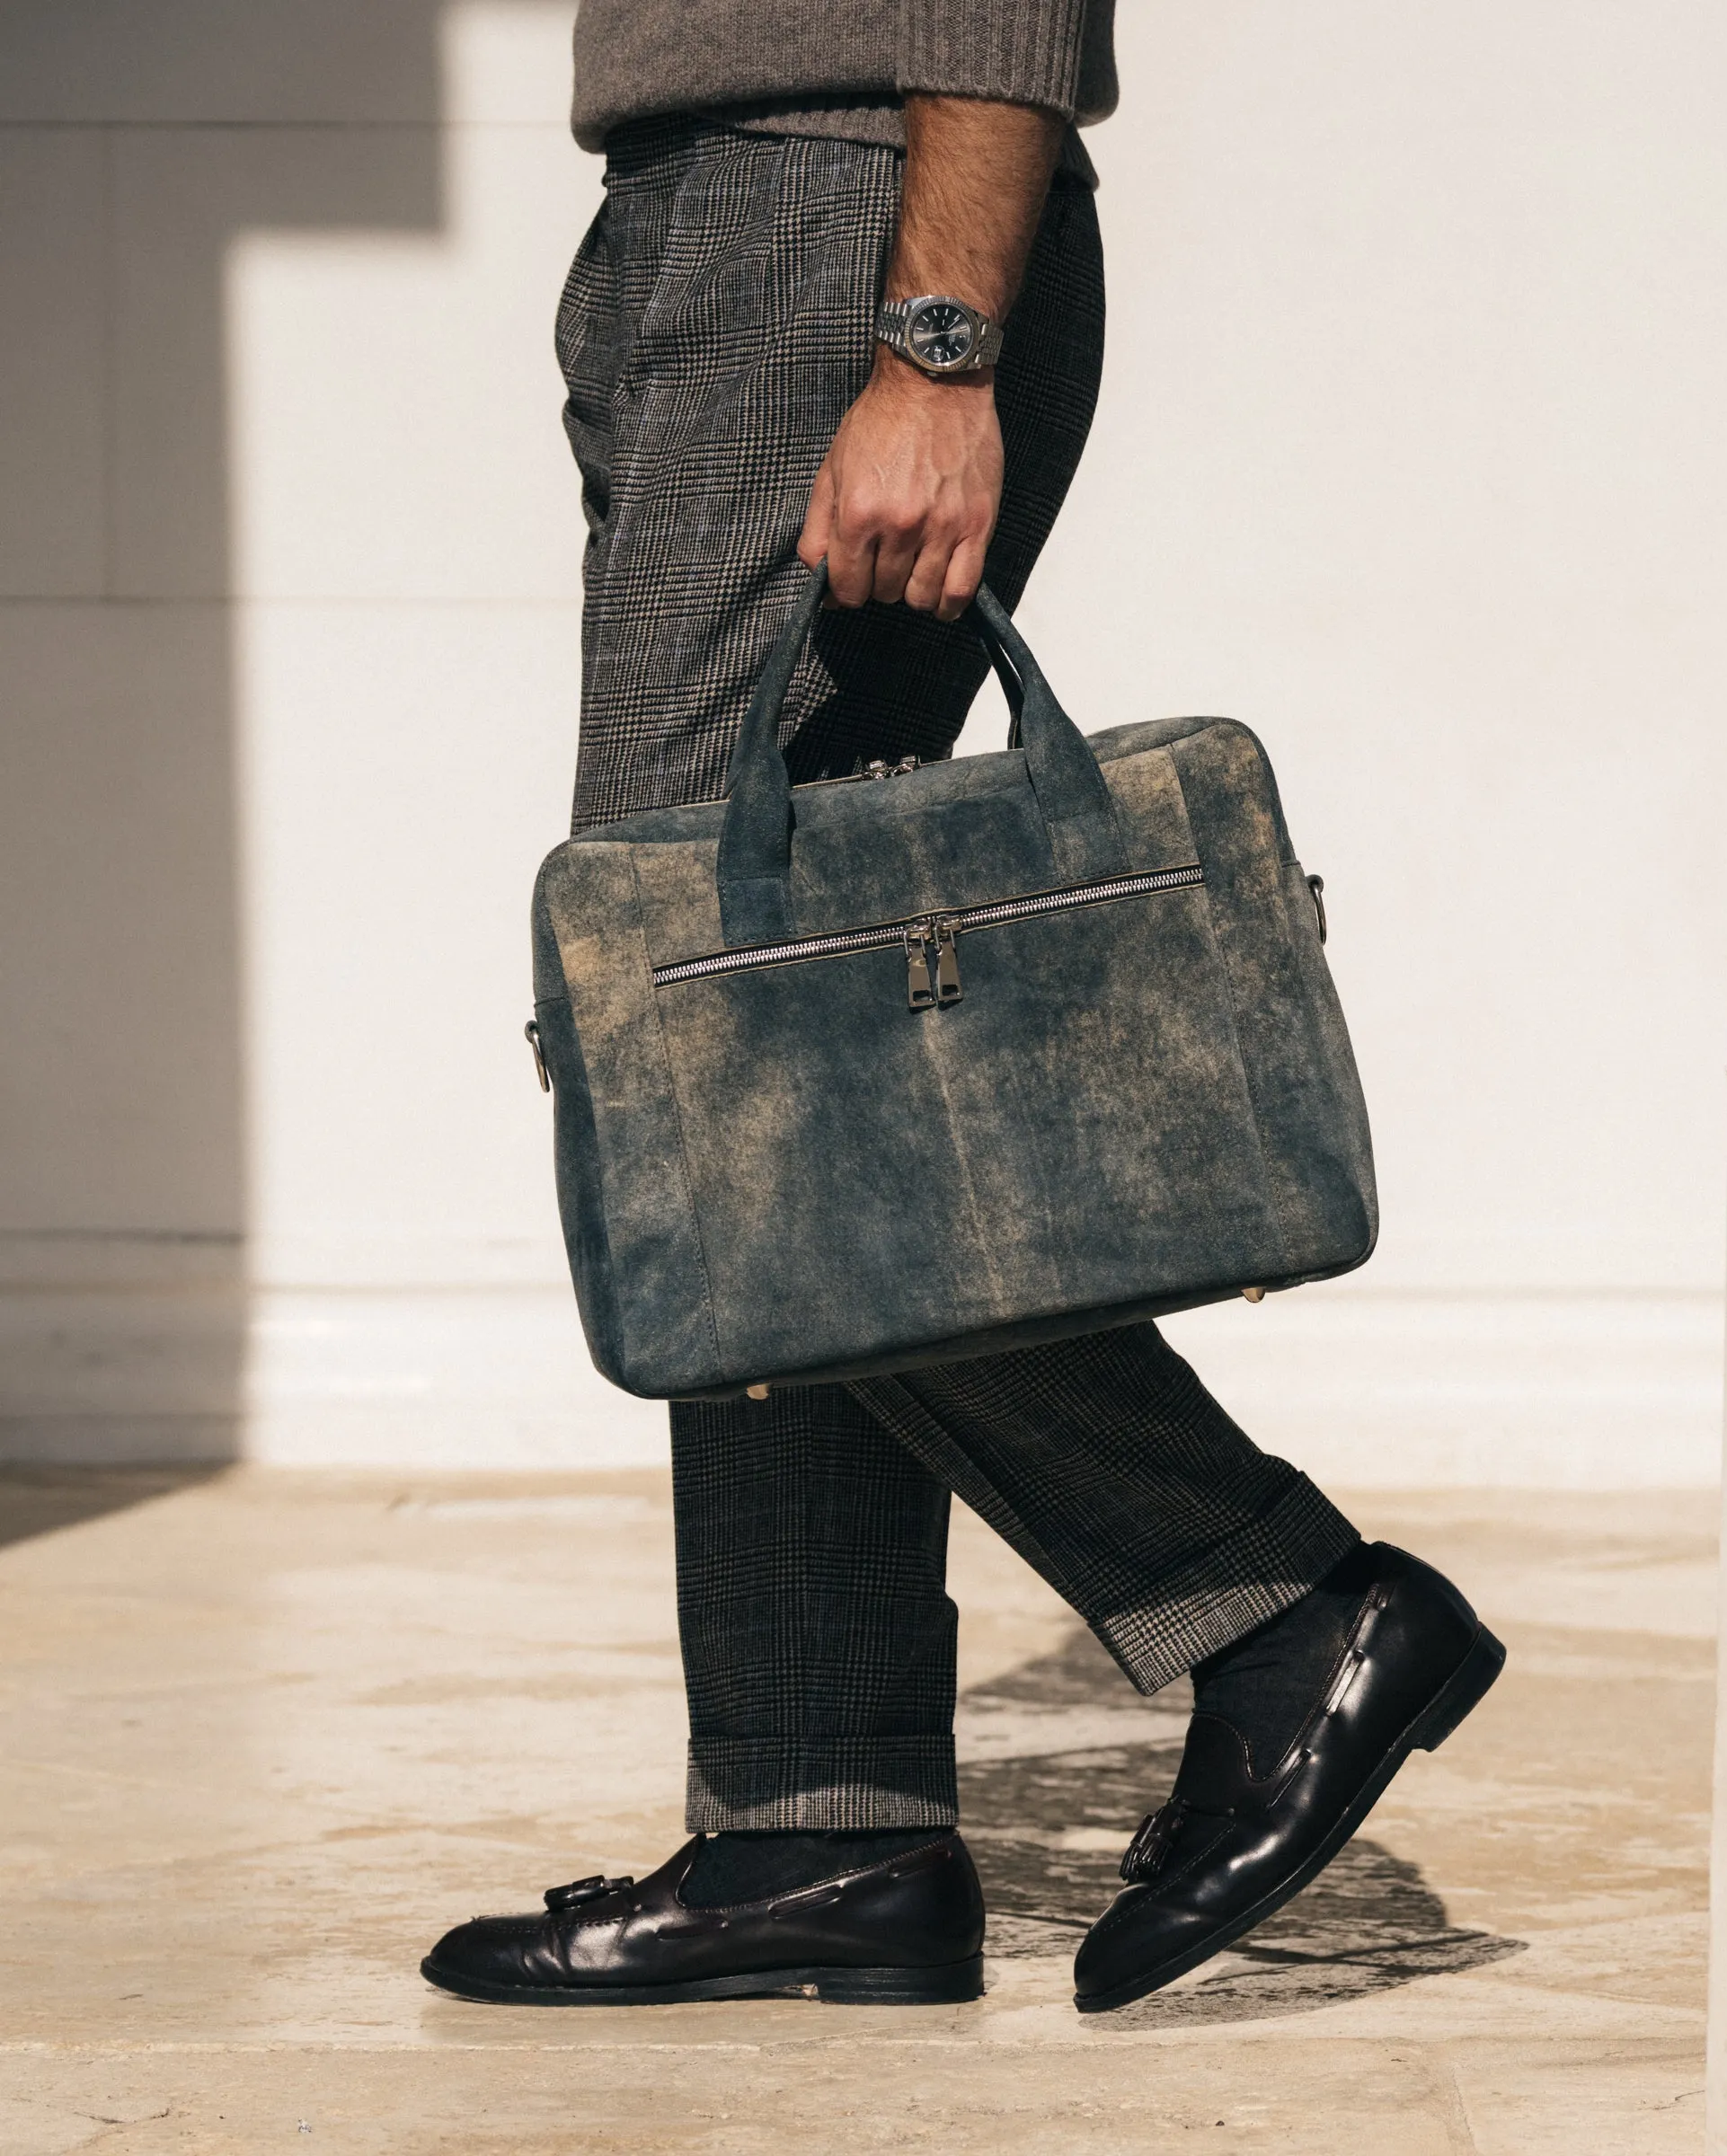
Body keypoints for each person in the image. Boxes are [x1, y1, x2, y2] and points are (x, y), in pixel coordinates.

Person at [418, 2, 1503, 2016]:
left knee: (698, 1041)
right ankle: (818, 1827)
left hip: (831, 222)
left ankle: (1280, 1609)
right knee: (762, 1033)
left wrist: (935, 342)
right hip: (730, 217)